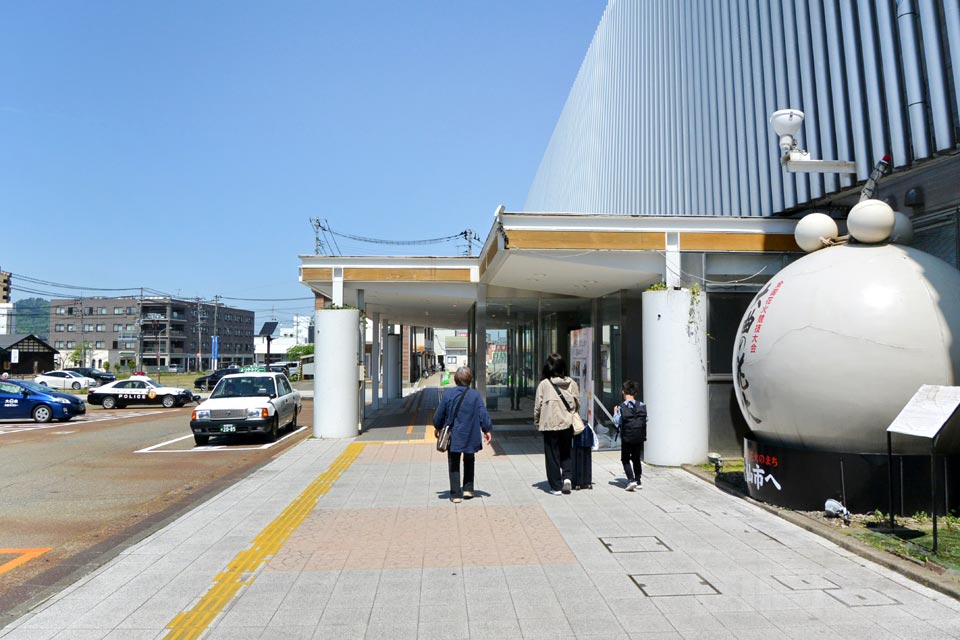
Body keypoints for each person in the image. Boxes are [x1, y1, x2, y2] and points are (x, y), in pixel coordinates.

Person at [433, 366, 492, 503]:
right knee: (469, 459)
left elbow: (440, 414)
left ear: (455, 380)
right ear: (470, 380)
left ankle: (455, 494)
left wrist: (438, 427)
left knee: (454, 461)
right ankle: (468, 489)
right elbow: (483, 414)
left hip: (454, 434)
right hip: (471, 434)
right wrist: (487, 430)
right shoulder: (475, 395)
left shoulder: (448, 394)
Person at [534, 353, 580, 495]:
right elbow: (577, 404)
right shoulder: (572, 383)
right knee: (566, 452)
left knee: (552, 455)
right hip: (567, 423)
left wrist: (537, 422)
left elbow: (538, 407)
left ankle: (555, 486)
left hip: (549, 425)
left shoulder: (544, 385)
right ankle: (567, 477)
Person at [613, 379, 647, 491]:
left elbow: (617, 421)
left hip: (627, 437)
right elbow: (646, 419)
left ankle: (631, 480)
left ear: (623, 392)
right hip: (639, 437)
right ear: (635, 393)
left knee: (625, 459)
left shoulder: (621, 407)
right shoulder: (642, 405)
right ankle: (638, 480)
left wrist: (615, 412)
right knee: (636, 458)